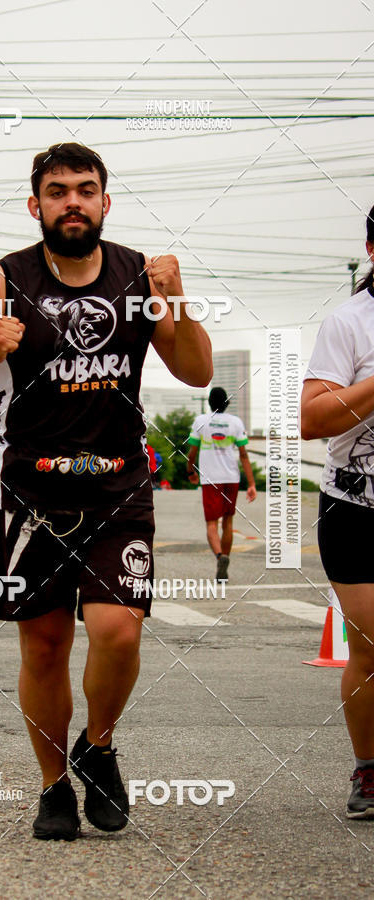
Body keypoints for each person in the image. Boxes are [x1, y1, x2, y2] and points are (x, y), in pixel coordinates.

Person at [0, 142, 212, 841]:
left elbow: (196, 372)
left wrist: (175, 299)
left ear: (105, 201)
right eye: (57, 192)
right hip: (34, 490)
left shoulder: (139, 274)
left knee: (118, 631)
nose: (73, 202)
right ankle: (53, 785)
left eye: (85, 190)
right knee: (45, 645)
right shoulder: (1, 280)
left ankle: (99, 745)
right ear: (36, 205)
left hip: (119, 482)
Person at [301, 202, 374, 819]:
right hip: (357, 506)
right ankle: (369, 771)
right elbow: (312, 419)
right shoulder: (349, 322)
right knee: (372, 647)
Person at [187, 387, 256, 581]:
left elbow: (192, 453)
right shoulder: (236, 422)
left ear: (209, 403)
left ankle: (219, 557)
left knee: (211, 524)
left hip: (210, 479)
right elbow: (243, 455)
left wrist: (191, 472)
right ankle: (225, 557)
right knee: (228, 522)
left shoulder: (201, 421)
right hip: (231, 478)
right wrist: (251, 484)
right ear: (226, 403)